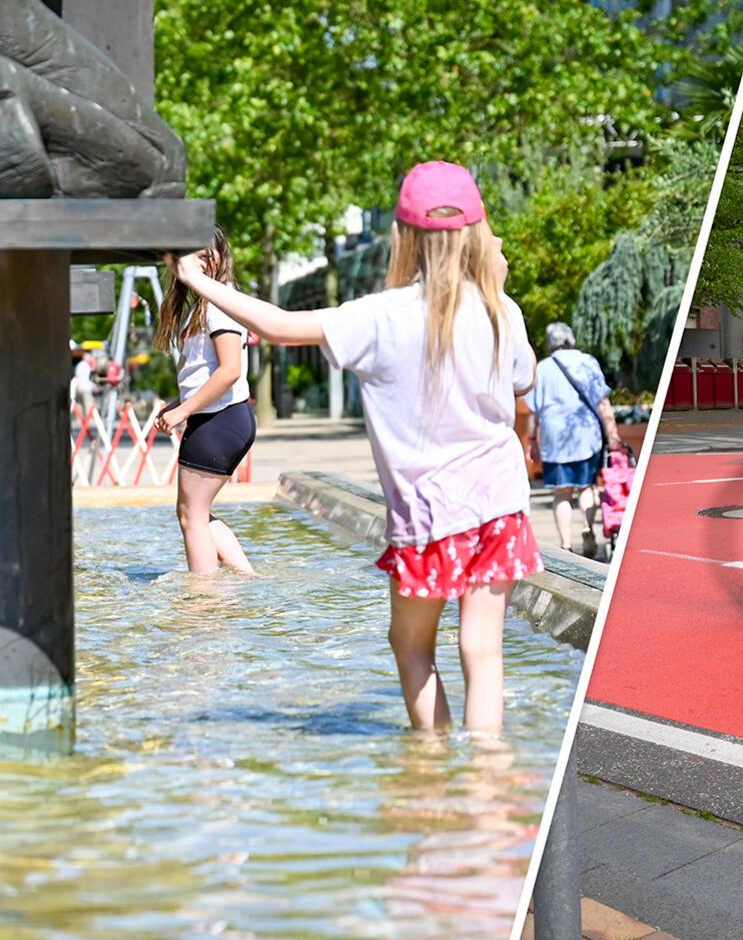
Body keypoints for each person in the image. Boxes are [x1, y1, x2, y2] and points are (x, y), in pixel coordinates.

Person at [174, 161, 537, 734]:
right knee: (482, 648)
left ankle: (434, 765)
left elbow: (276, 326)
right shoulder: (502, 311)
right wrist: (495, 284)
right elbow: (524, 383)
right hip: (501, 509)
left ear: (402, 239)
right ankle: (486, 778)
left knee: (413, 645)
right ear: (475, 236)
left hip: (429, 518)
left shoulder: (381, 317)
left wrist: (199, 280)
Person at [154, 227, 256, 575]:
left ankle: (204, 601)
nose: (196, 263)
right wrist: (177, 401)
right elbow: (205, 371)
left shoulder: (220, 305)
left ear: (217, 257)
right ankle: (246, 577)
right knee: (195, 512)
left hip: (220, 420)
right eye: (189, 256)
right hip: (219, 419)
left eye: (203, 255)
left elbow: (229, 371)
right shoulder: (209, 304)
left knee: (190, 515)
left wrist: (184, 409)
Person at [528, 323, 623, 557]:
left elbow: (534, 411)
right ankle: (588, 528)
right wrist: (613, 435)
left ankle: (565, 545)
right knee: (587, 487)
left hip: (554, 439)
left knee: (561, 493)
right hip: (585, 435)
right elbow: (603, 402)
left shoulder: (542, 368)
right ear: (571, 339)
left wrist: (532, 441)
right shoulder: (587, 362)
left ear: (551, 342)